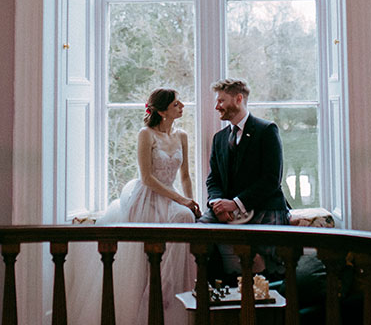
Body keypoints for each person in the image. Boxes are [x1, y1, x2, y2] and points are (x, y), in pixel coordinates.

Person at [68, 88, 200, 325]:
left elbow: (186, 176)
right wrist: (181, 200)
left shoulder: (181, 136)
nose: (182, 106)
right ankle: (147, 305)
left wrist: (191, 203)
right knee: (147, 255)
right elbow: (148, 177)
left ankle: (169, 298)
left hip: (171, 198)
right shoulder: (146, 134)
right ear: (161, 111)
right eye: (175, 104)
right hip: (147, 196)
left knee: (186, 220)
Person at [199, 78, 291, 279]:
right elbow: (213, 179)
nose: (217, 106)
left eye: (221, 101)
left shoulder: (266, 130)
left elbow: (271, 180)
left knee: (266, 259)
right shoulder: (220, 138)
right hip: (228, 209)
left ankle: (265, 287)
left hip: (265, 206)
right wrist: (217, 205)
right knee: (199, 233)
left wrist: (235, 204)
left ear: (239, 99)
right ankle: (219, 291)